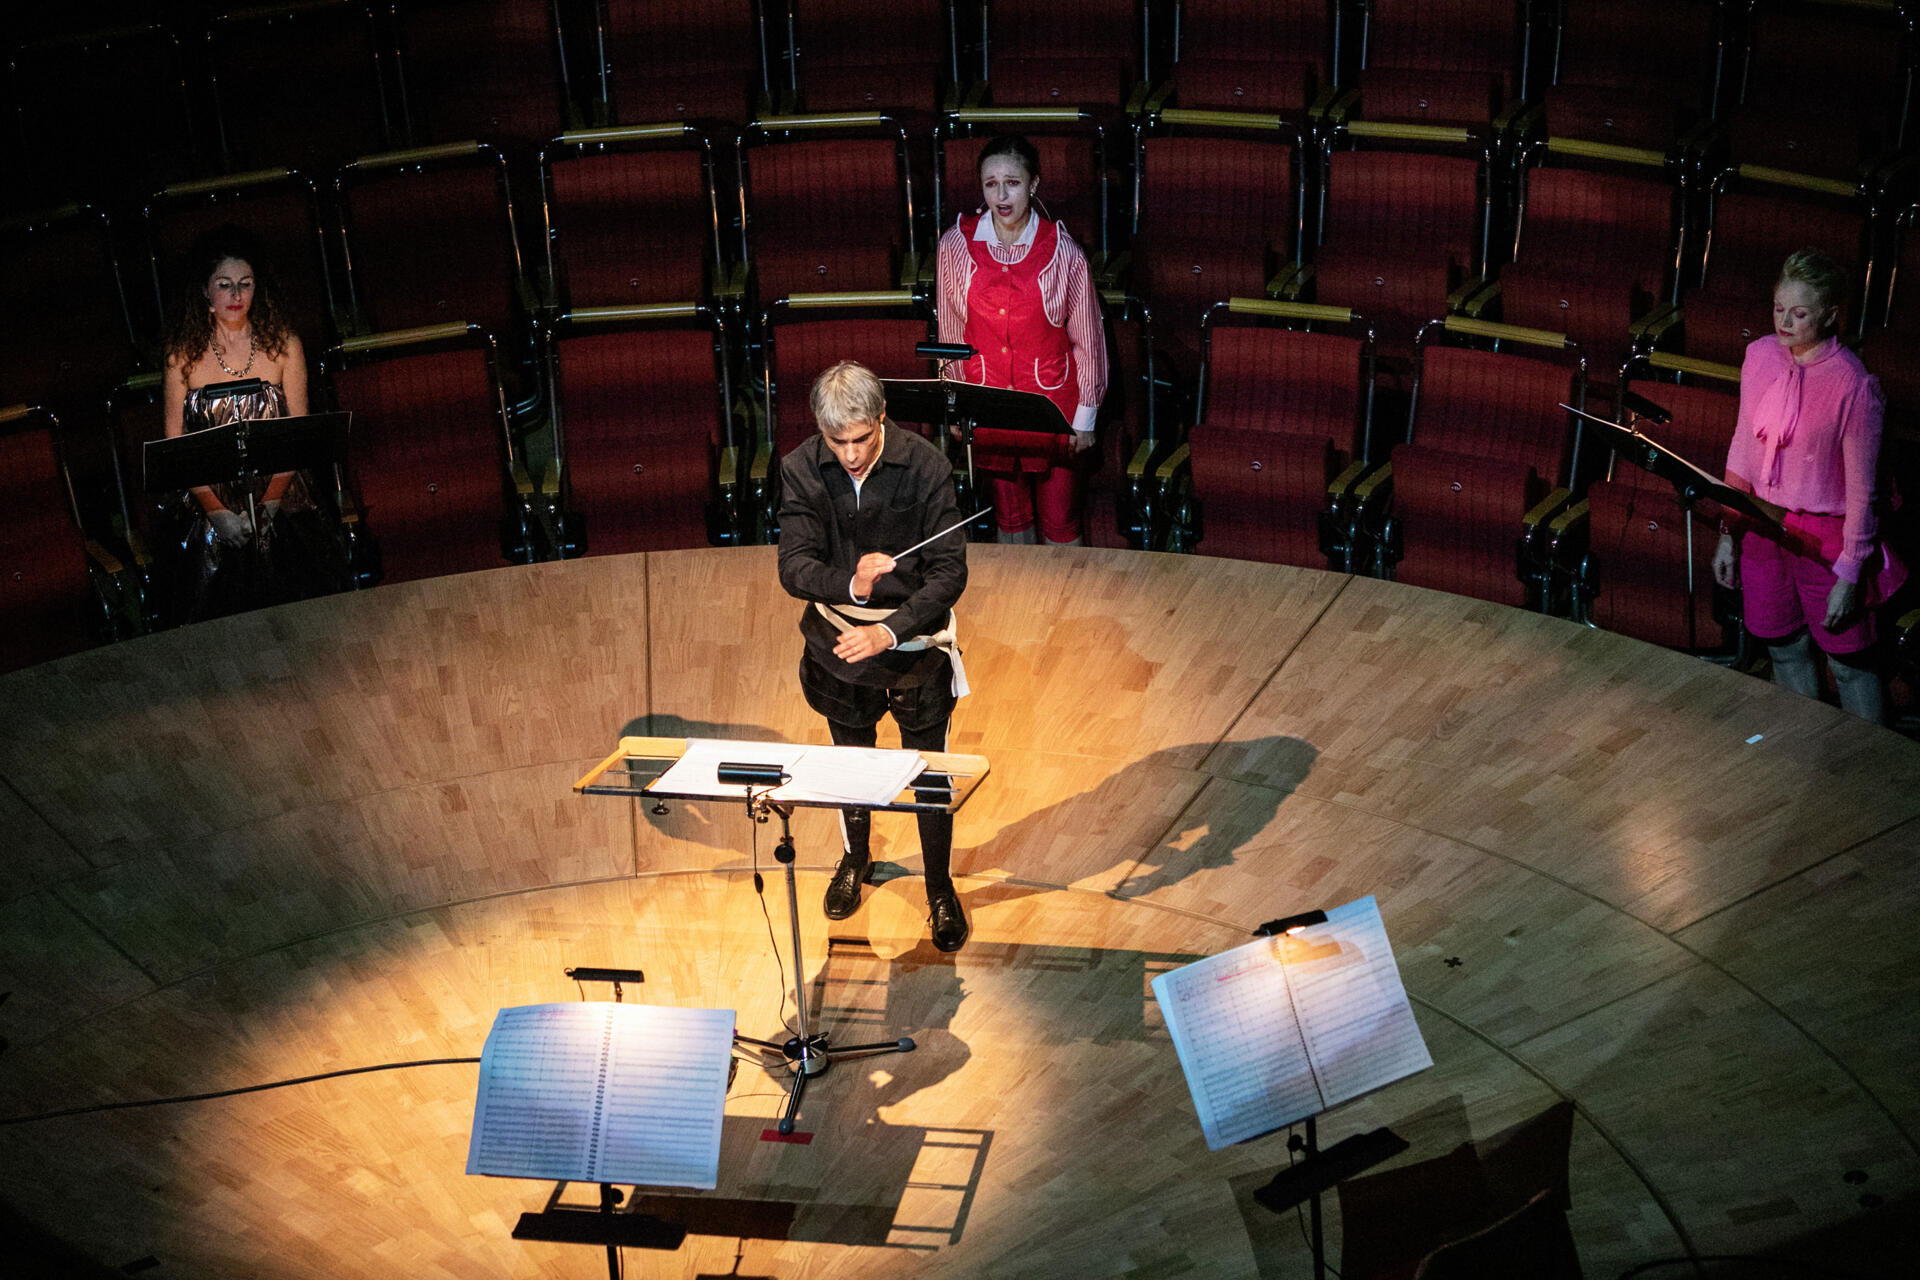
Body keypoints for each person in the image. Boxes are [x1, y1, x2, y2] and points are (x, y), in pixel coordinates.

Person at [778, 361, 971, 952]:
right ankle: (856, 857)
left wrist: (889, 631)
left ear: (881, 418)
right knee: (851, 766)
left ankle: (939, 887)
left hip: (912, 648)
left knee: (928, 775)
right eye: (837, 442)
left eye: (861, 439)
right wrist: (852, 586)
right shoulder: (801, 468)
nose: (851, 455)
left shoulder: (927, 466)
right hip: (839, 646)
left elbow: (949, 572)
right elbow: (794, 567)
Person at [1711, 247, 1903, 721]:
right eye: (1779, 309)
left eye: (1799, 313)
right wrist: (1728, 532)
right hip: (1763, 526)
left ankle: (1864, 761)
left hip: (1825, 538)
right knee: (1784, 648)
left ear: (1830, 315)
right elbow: (1742, 448)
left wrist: (1851, 572)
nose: (1785, 322)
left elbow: (1863, 491)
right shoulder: (1759, 356)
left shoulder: (1852, 383)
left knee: (1848, 663)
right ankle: (1807, 753)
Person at [161, 226, 343, 622]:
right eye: (224, 285)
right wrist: (217, 513)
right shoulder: (181, 356)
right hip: (209, 501)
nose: (236, 295)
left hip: (282, 494)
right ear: (205, 291)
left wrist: (268, 506)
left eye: (245, 284)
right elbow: (175, 448)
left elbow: (298, 436)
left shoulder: (285, 345)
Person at [936, 133, 1108, 545]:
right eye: (990, 184)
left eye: (1011, 183)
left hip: (1052, 409)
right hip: (990, 405)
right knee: (1011, 519)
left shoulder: (1063, 251)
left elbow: (1088, 341)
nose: (1001, 195)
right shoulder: (955, 246)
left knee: (1060, 520)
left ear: (1033, 184)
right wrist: (955, 403)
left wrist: (1085, 418)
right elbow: (950, 334)